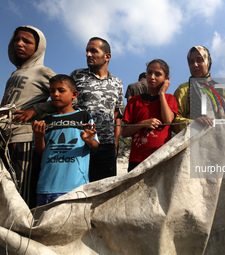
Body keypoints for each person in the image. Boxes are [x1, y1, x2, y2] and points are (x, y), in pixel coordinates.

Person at [0, 25, 56, 207]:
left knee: (20, 190)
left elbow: (68, 95)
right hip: (5, 136)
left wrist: (37, 110)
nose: (20, 44)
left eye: (27, 41)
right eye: (16, 40)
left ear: (38, 47)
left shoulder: (43, 71)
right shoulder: (14, 74)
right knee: (5, 188)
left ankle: (23, 231)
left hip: (24, 138)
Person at [32, 74, 98, 206]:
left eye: (61, 90)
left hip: (74, 188)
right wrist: (39, 136)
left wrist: (89, 140)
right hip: (46, 186)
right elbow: (40, 152)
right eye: (52, 91)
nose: (55, 94)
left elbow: (95, 145)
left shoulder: (84, 116)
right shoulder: (45, 121)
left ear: (74, 94)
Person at [71, 37, 124, 181]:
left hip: (106, 145)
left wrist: (115, 144)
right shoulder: (77, 76)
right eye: (87, 51)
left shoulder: (117, 83)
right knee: (77, 189)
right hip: (79, 142)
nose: (88, 54)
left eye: (93, 51)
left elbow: (117, 115)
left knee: (104, 189)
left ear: (107, 57)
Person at [122, 59, 178, 172]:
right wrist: (143, 124)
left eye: (158, 74)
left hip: (161, 158)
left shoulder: (169, 99)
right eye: (149, 72)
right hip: (137, 159)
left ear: (166, 79)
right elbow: (125, 132)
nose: (152, 77)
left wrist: (162, 93)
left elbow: (167, 120)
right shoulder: (134, 101)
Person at [172, 45, 225, 134]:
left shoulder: (220, 90)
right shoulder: (183, 89)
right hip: (195, 143)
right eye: (191, 62)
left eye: (199, 60)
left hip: (221, 142)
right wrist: (194, 123)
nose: (195, 65)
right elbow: (173, 121)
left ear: (207, 61)